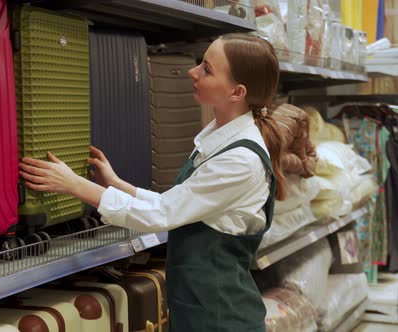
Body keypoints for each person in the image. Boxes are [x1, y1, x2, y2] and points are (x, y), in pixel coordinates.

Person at [19, 33, 286, 332]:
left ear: (237, 92)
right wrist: (117, 184)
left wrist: (75, 185)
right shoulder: (220, 139)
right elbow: (175, 203)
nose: (192, 71)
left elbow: (161, 216)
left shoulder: (239, 160)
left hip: (221, 319)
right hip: (204, 310)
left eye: (206, 69)